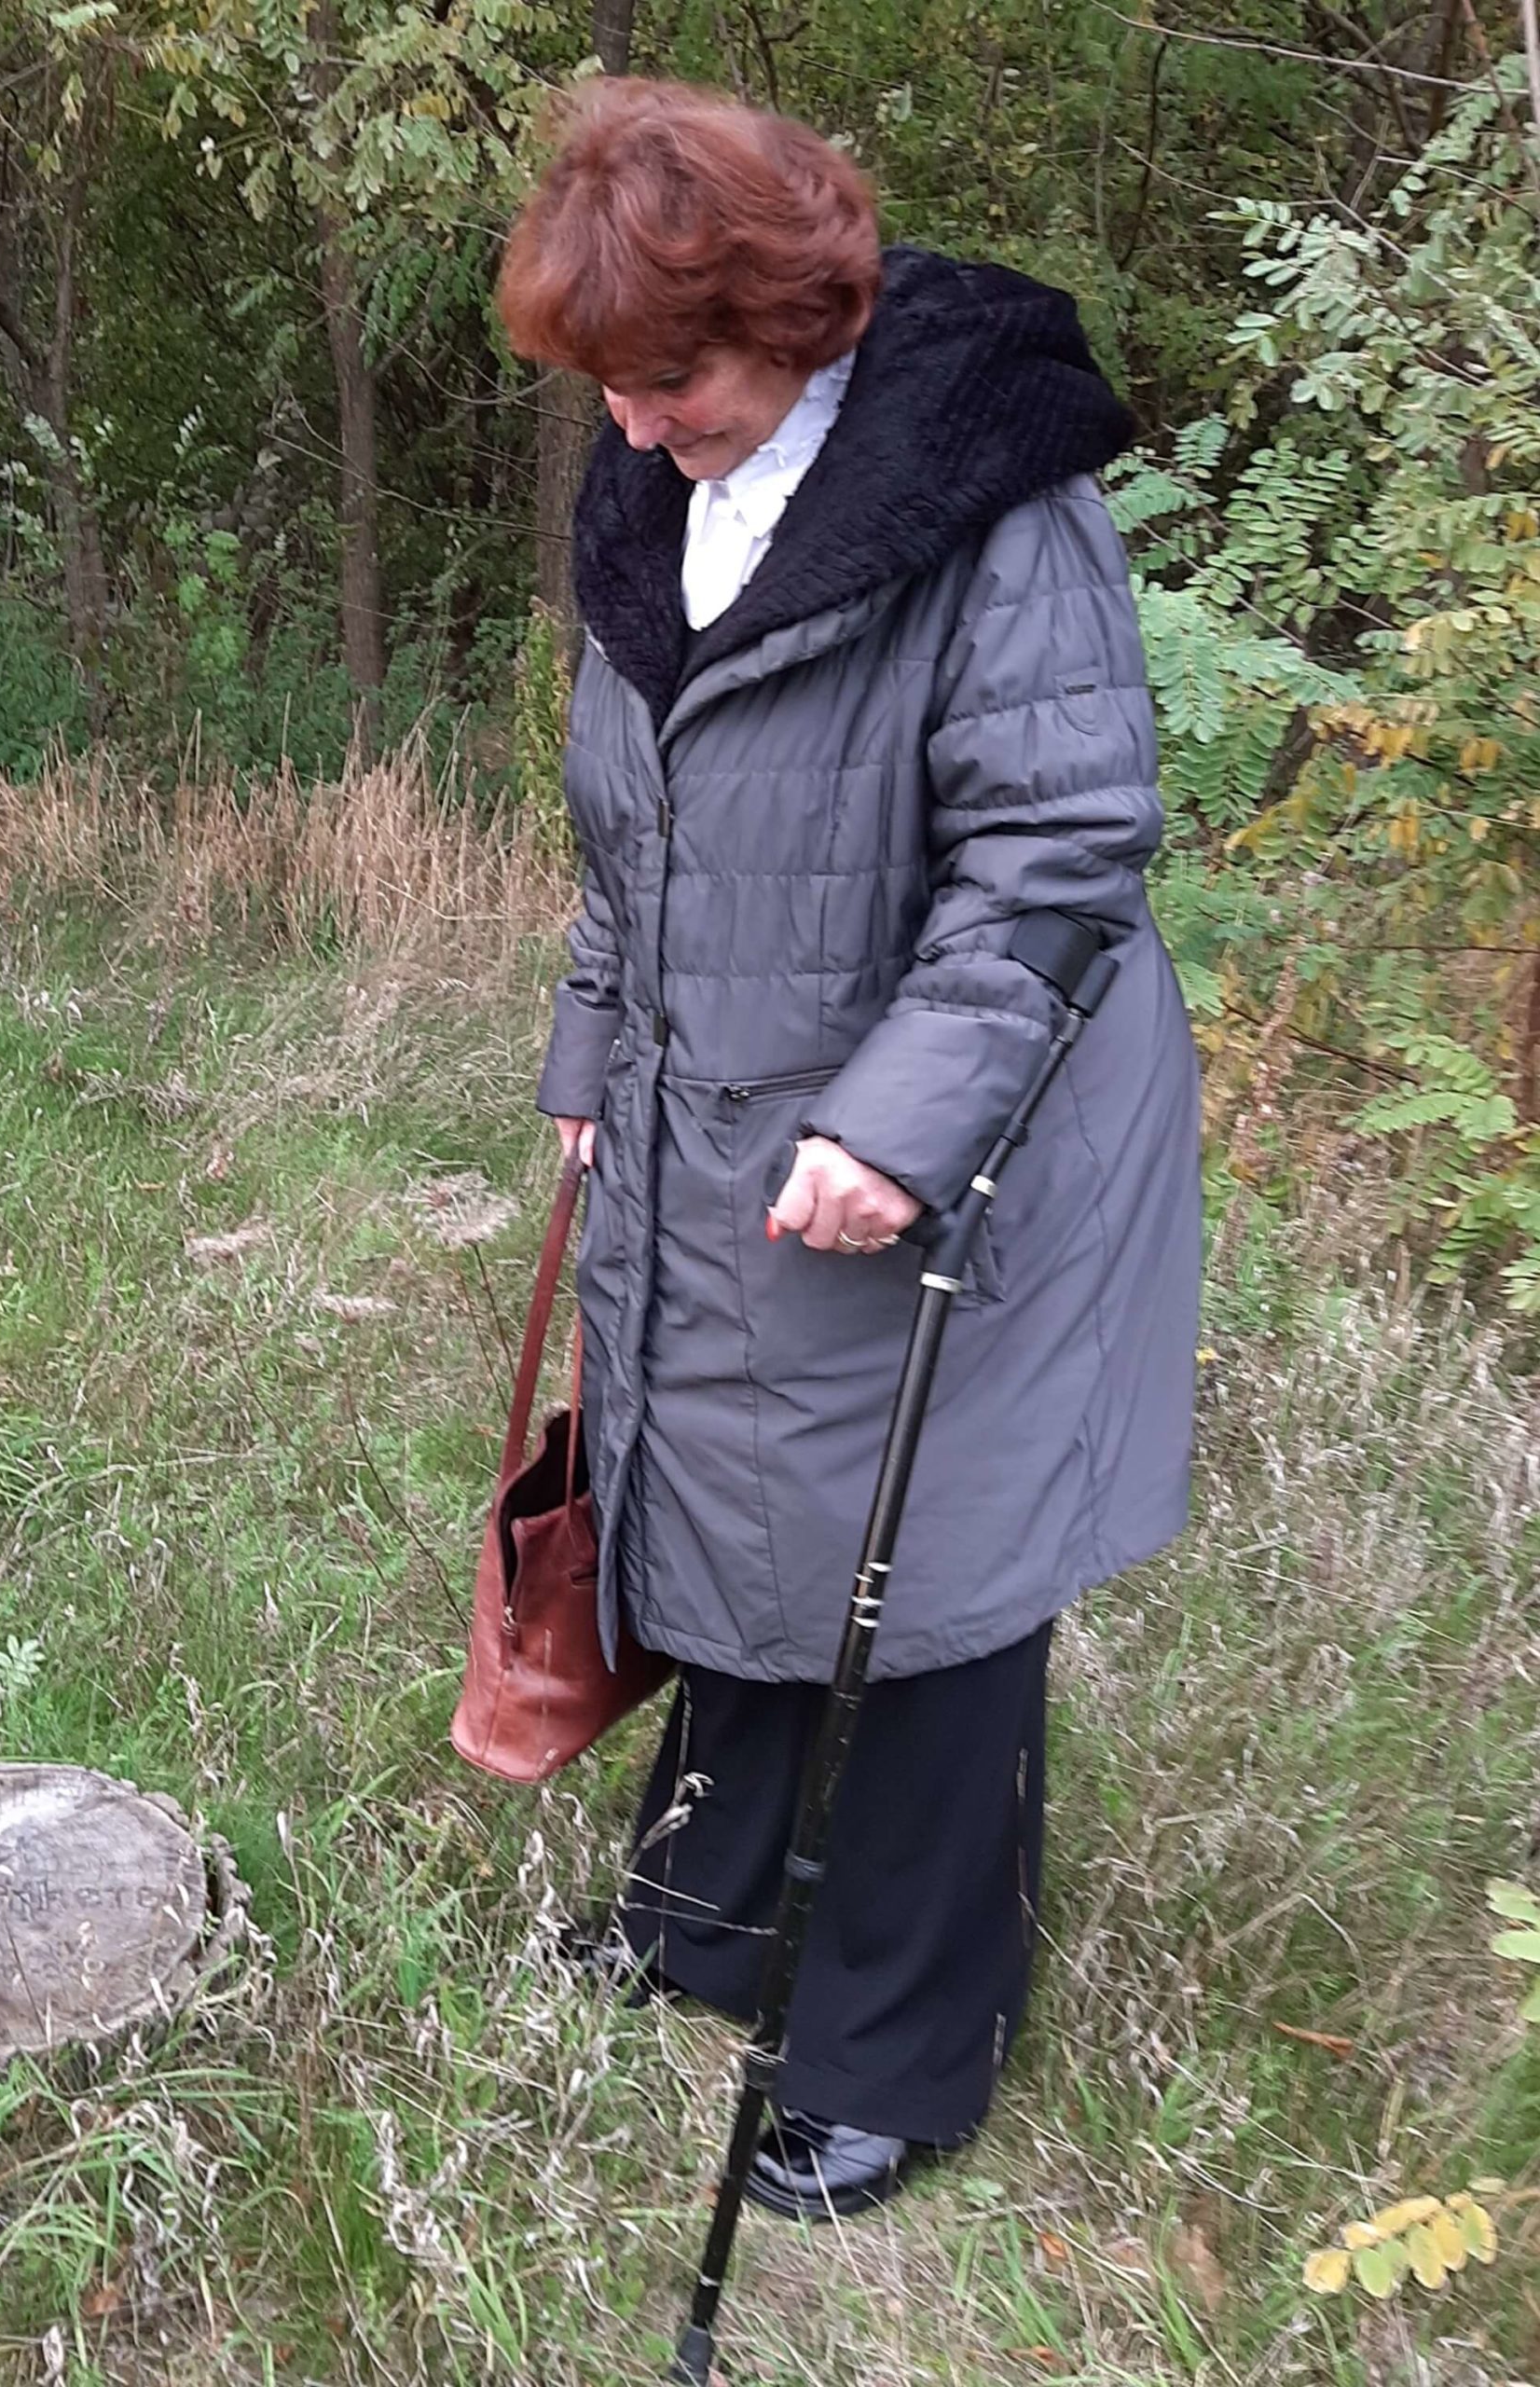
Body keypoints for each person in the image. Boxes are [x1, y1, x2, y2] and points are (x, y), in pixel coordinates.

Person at [495, 79, 1202, 2220]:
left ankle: (896, 2044)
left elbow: (1059, 853)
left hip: (972, 1145)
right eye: (606, 387)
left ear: (793, 324)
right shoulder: (652, 505)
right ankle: (704, 1920)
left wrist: (893, 1123)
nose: (631, 427)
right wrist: (583, 1047)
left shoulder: (986, 507)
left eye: (669, 377)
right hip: (711, 1120)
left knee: (924, 1584)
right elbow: (632, 847)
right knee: (719, 1506)